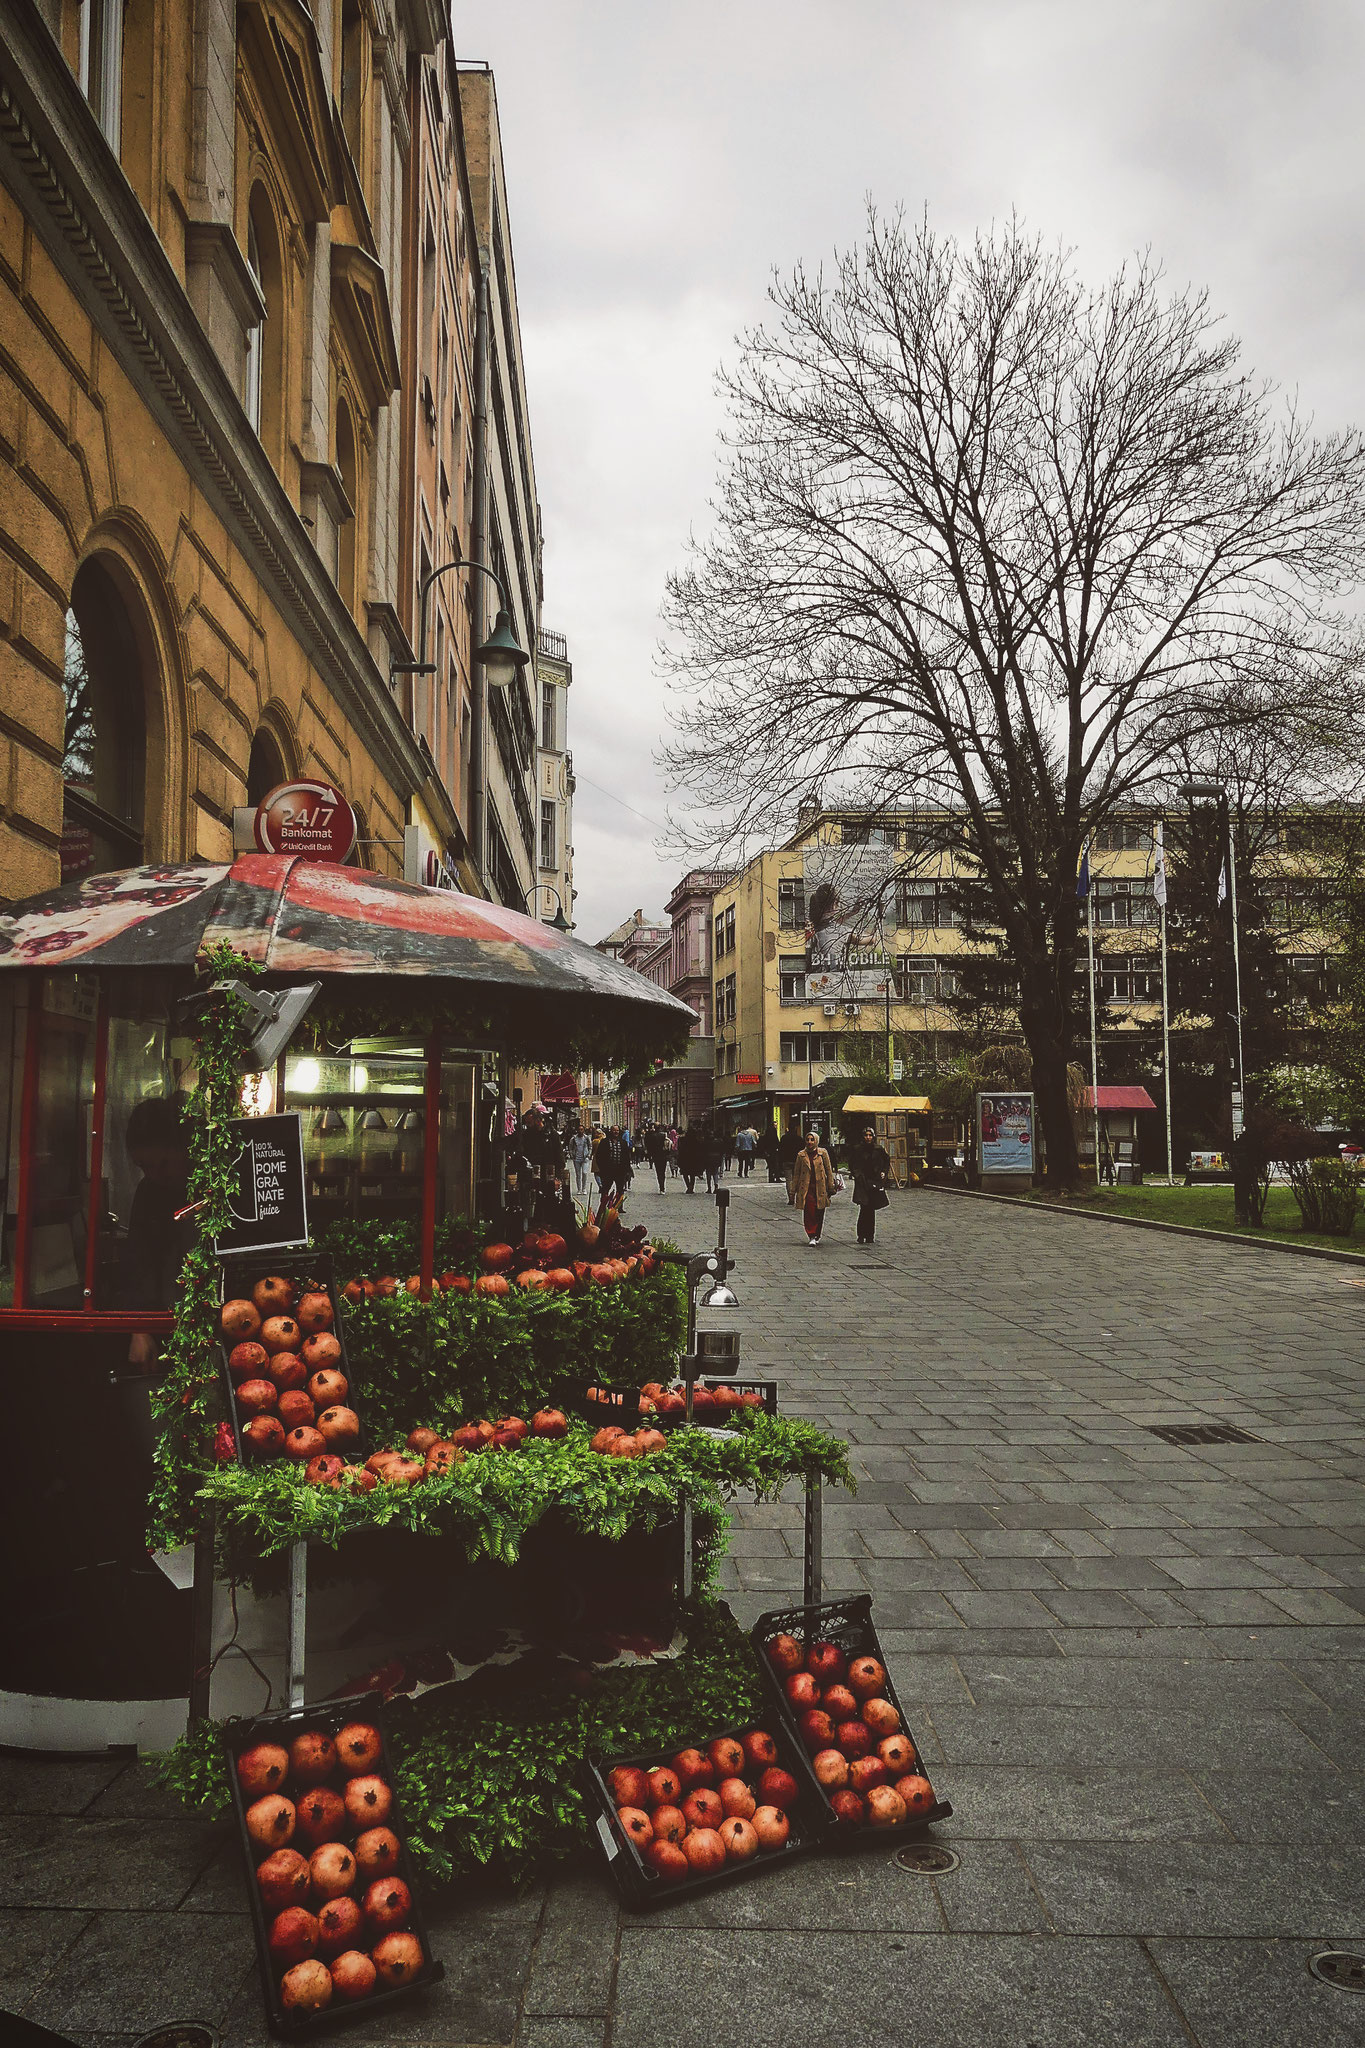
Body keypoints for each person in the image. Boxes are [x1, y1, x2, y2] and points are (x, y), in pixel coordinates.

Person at [848, 1123, 891, 1245]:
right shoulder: (857, 1149)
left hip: (874, 1181)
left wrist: (883, 1172)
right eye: (866, 1135)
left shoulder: (878, 1149)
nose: (868, 1137)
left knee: (871, 1208)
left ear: (873, 1136)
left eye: (870, 1135)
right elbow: (852, 1164)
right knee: (864, 1207)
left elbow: (886, 1161)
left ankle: (870, 1235)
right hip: (862, 1182)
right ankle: (861, 1234)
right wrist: (857, 1175)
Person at [790, 1128, 836, 1245]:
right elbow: (796, 1173)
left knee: (819, 1210)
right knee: (809, 1210)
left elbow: (828, 1170)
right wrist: (793, 1190)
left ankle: (817, 1233)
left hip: (820, 1187)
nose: (810, 1142)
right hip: (807, 1188)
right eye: (808, 1139)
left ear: (816, 1141)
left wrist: (830, 1186)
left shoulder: (823, 1153)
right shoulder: (801, 1155)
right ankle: (811, 1234)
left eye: (812, 1139)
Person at [568, 1122, 593, 1198]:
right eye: (579, 1129)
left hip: (585, 1158)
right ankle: (579, 1189)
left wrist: (588, 1155)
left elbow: (590, 1146)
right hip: (577, 1158)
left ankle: (584, 1188)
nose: (580, 1131)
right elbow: (570, 1147)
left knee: (584, 1173)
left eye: (582, 1129)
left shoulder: (586, 1138)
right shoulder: (573, 1139)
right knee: (578, 1174)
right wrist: (572, 1155)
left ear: (584, 1130)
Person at [677, 1122, 703, 1193]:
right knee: (692, 1175)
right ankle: (691, 1187)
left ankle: (688, 1186)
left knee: (685, 1174)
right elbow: (699, 1151)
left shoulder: (683, 1140)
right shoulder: (696, 1141)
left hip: (685, 1159)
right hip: (693, 1160)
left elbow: (680, 1150)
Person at [778, 1124, 801, 1203]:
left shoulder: (784, 1138)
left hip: (786, 1160)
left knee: (789, 1180)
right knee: (797, 1179)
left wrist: (780, 1161)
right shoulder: (799, 1139)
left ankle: (791, 1197)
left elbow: (780, 1149)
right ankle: (798, 1196)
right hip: (797, 1161)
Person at [644, 1120, 669, 1193]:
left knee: (658, 1172)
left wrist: (650, 1155)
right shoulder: (663, 1135)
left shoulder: (651, 1136)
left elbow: (649, 1146)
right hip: (663, 1155)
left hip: (656, 1156)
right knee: (663, 1171)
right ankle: (662, 1187)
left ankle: (660, 1187)